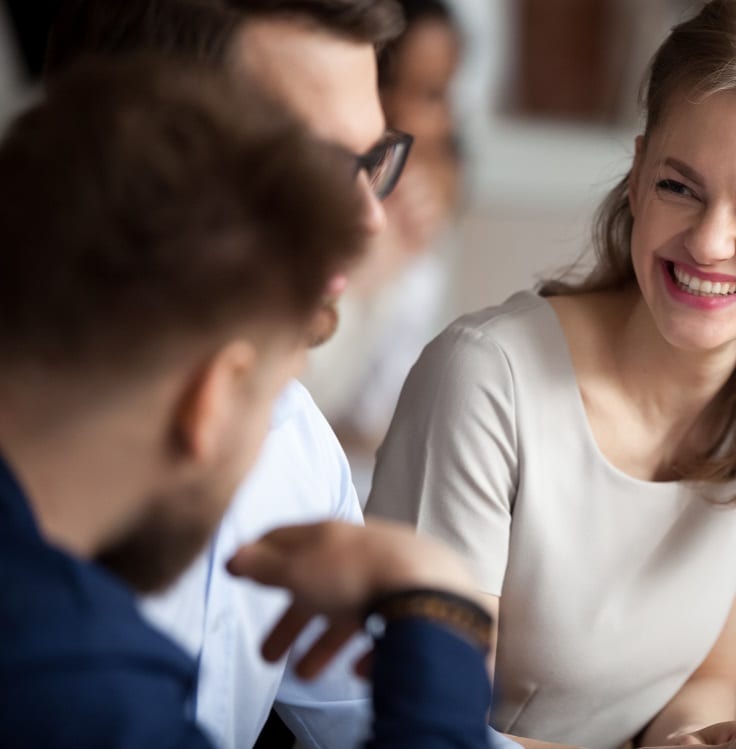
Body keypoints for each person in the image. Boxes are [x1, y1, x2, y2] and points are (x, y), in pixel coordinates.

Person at [366, 2, 736, 749]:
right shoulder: (488, 380)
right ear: (636, 177)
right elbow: (433, 735)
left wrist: (715, 740)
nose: (710, 241)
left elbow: (697, 683)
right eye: (679, 187)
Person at [43, 3, 524, 748]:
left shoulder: (290, 438)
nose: (368, 221)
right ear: (143, 154)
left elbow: (388, 720)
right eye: (321, 166)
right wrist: (437, 608)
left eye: (372, 164)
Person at [304, 0, 464, 462]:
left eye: (446, 94)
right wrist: (365, 280)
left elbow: (383, 417)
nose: (445, 122)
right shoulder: (321, 213)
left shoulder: (417, 220)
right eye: (430, 94)